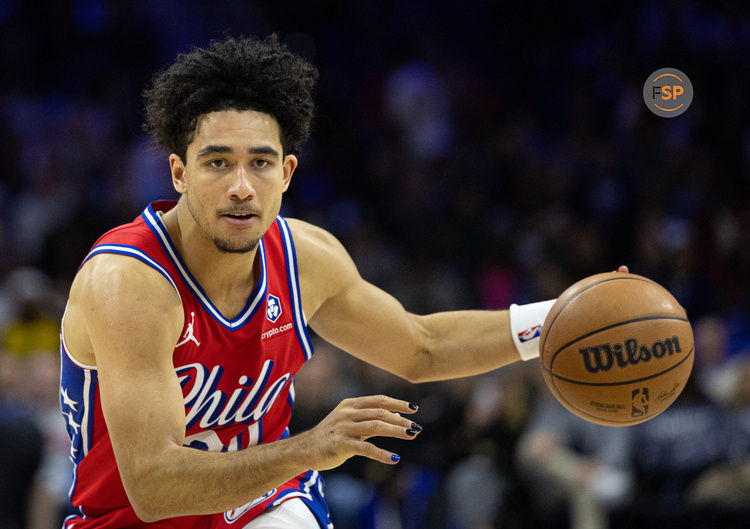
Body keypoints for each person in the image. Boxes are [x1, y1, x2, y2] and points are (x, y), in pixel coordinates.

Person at [59, 35, 625, 529]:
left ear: (286, 173)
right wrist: (309, 447)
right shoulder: (127, 282)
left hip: (262, 503)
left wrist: (556, 319)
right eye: (216, 163)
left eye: (260, 162)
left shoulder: (307, 258)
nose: (241, 186)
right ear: (179, 172)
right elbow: (154, 486)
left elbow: (421, 348)